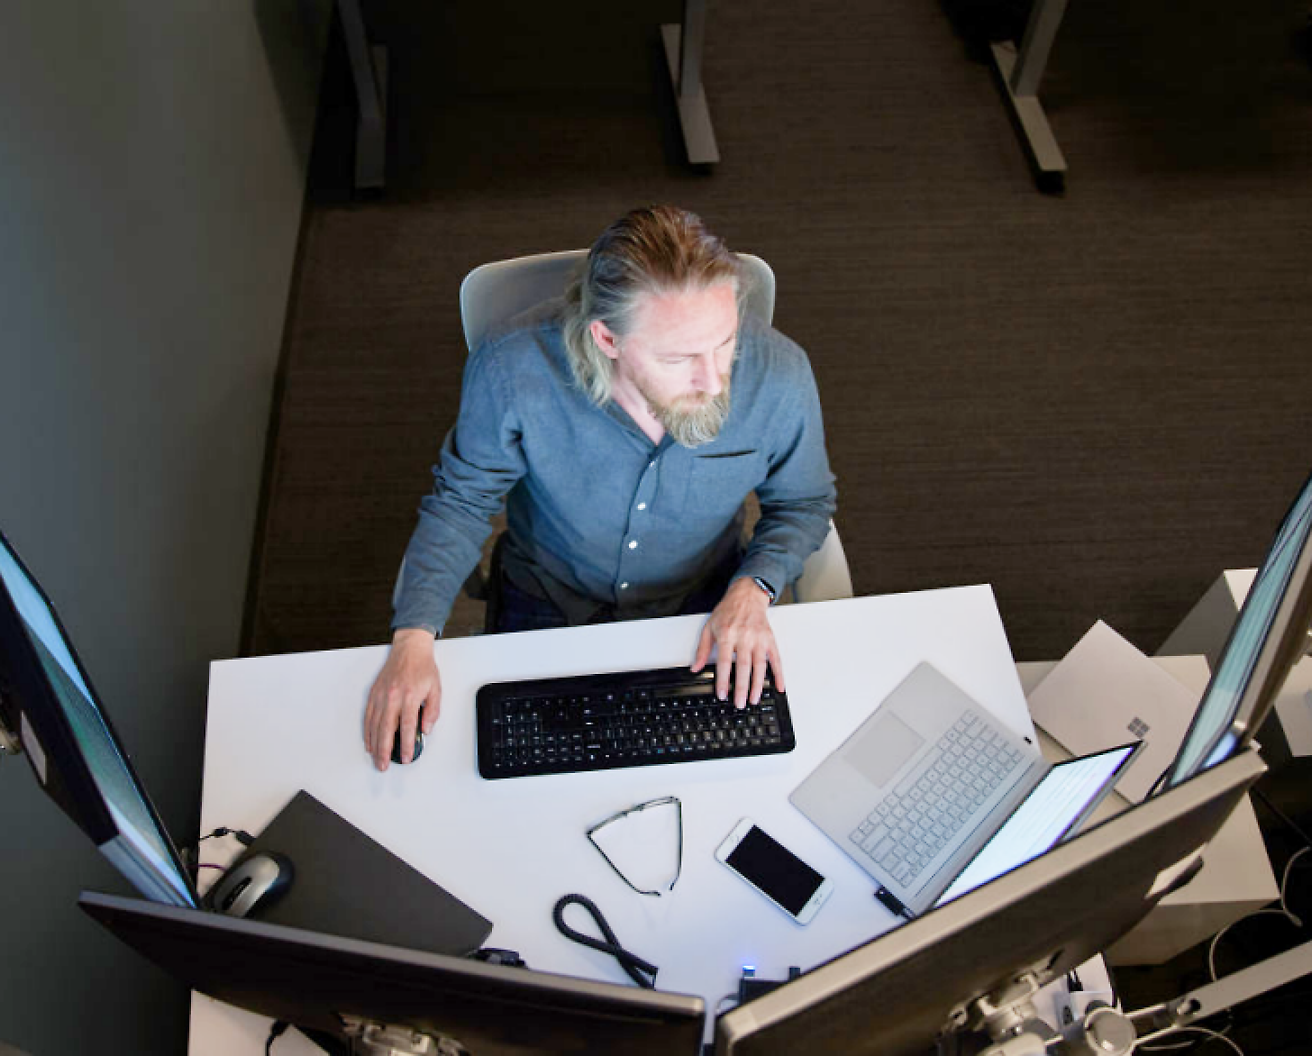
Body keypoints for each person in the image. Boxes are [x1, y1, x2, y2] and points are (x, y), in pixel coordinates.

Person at [364, 205, 836, 770]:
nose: (713, 381)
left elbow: (804, 503)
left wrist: (754, 587)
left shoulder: (780, 375)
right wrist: (413, 638)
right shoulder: (512, 368)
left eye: (725, 342)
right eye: (678, 356)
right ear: (607, 338)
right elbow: (464, 501)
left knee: (726, 772)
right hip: (548, 593)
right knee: (515, 775)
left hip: (704, 603)